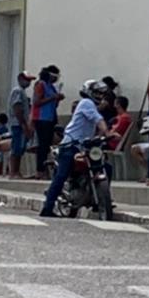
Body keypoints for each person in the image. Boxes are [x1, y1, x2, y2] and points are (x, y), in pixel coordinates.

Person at [39, 80, 110, 218]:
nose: (99, 96)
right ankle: (47, 207)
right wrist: (107, 132)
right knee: (61, 175)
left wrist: (103, 137)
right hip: (71, 145)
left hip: (85, 147)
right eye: (97, 93)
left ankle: (103, 198)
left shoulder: (93, 107)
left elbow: (95, 124)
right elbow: (98, 120)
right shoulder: (86, 103)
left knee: (106, 167)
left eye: (101, 93)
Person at [31, 66, 63, 179]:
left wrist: (57, 99)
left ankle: (47, 168)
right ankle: (40, 170)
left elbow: (54, 104)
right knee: (43, 145)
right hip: (41, 118)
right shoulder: (41, 84)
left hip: (50, 118)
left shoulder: (52, 87)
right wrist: (52, 97)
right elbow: (37, 102)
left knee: (49, 144)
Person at [7, 70, 35, 179]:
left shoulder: (22, 91)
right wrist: (24, 124)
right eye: (27, 80)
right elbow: (17, 108)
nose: (28, 82)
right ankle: (14, 172)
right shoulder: (17, 91)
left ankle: (16, 171)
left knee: (20, 148)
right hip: (17, 124)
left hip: (19, 123)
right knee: (17, 147)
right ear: (20, 79)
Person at [105, 97, 133, 172]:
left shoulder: (124, 118)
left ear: (118, 105)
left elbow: (116, 132)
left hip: (114, 143)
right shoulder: (119, 117)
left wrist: (108, 133)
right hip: (112, 141)